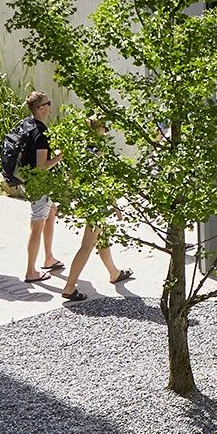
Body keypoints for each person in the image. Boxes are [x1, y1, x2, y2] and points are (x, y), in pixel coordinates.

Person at [59, 119, 132, 303]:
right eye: (105, 127)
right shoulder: (97, 152)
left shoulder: (83, 149)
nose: (106, 131)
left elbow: (71, 176)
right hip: (97, 204)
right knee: (87, 245)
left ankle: (114, 273)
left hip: (88, 201)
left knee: (103, 238)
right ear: (97, 129)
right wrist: (114, 205)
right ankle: (69, 287)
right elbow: (103, 182)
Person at [1, 91, 62, 284]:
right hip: (38, 184)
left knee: (51, 213)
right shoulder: (41, 134)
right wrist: (60, 156)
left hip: (29, 182)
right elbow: (42, 166)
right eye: (48, 103)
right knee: (37, 226)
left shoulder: (26, 124)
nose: (51, 106)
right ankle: (30, 271)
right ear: (41, 108)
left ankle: (49, 257)